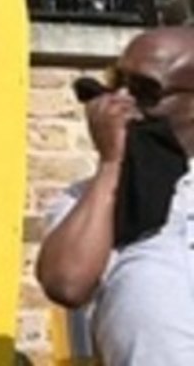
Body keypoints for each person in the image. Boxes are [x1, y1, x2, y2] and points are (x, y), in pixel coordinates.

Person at [36, 27, 194, 364]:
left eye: (144, 91)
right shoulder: (88, 200)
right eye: (116, 82)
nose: (120, 100)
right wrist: (111, 165)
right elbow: (66, 284)